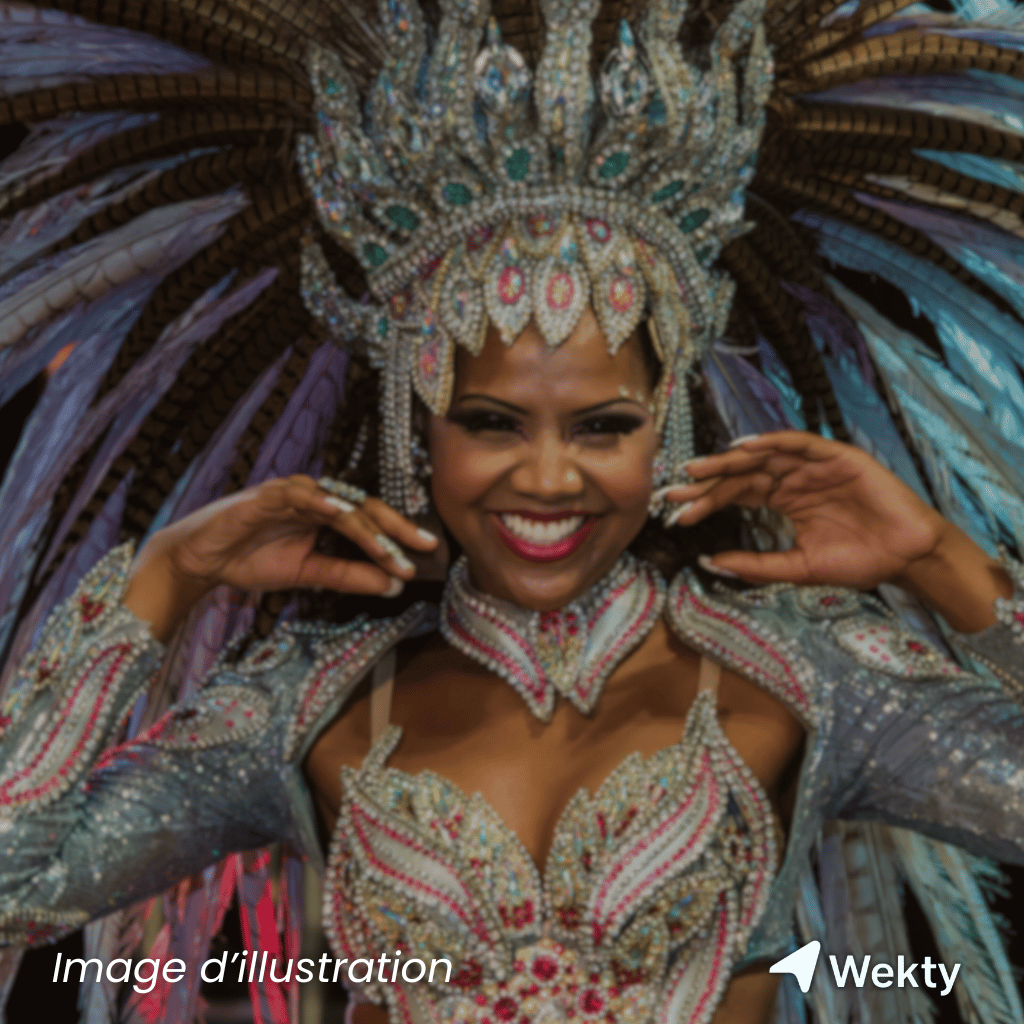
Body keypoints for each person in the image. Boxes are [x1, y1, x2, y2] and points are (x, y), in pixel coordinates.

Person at [1, 0, 1024, 1022]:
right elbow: (14, 884)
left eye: (601, 428)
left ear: (665, 425)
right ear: (419, 428)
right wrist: (170, 576)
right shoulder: (306, 704)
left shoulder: (807, 676)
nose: (546, 479)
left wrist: (939, 560)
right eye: (491, 423)